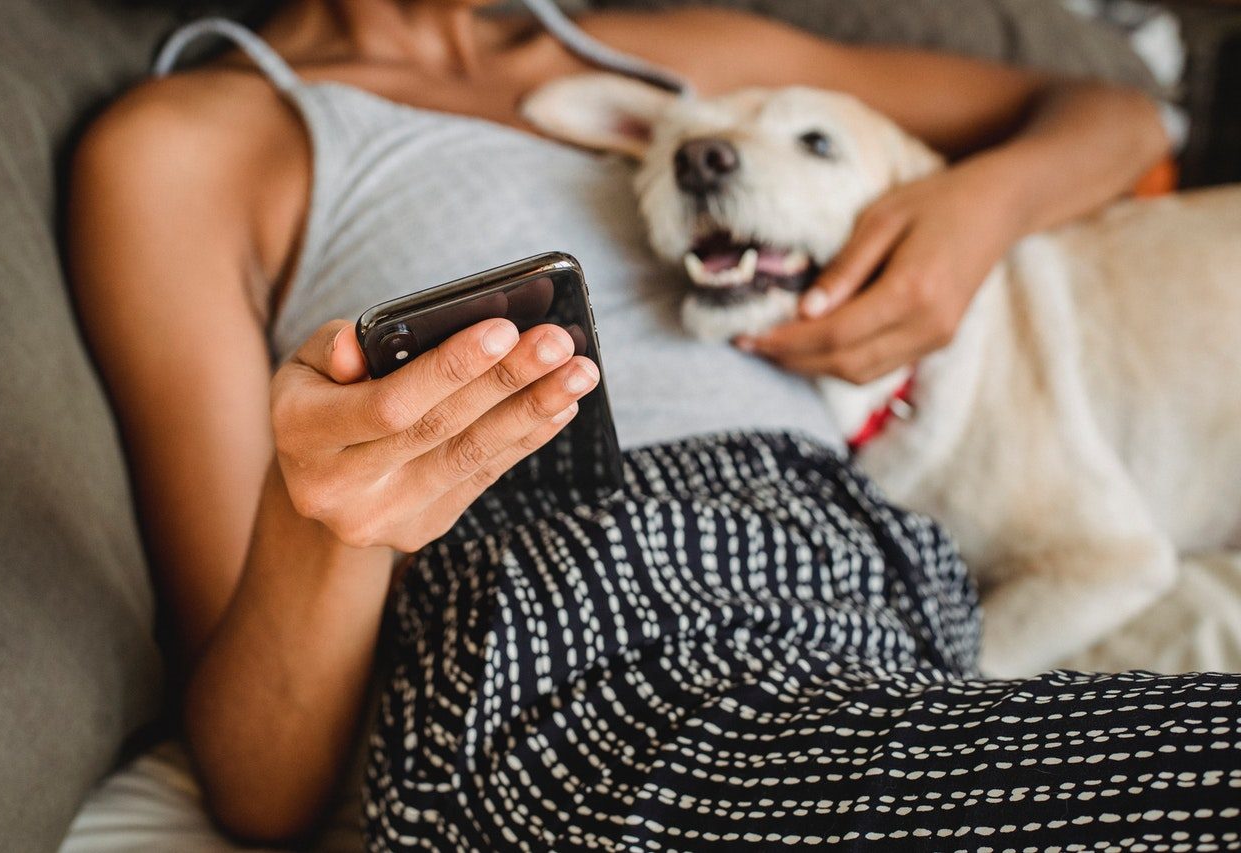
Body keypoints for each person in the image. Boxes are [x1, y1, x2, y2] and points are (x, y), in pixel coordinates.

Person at [67, 0, 1241, 848]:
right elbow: (256, 785)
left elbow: (1116, 115)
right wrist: (324, 516)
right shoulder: (190, 145)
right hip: (582, 609)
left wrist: (966, 213)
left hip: (884, 580)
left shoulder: (673, 53)